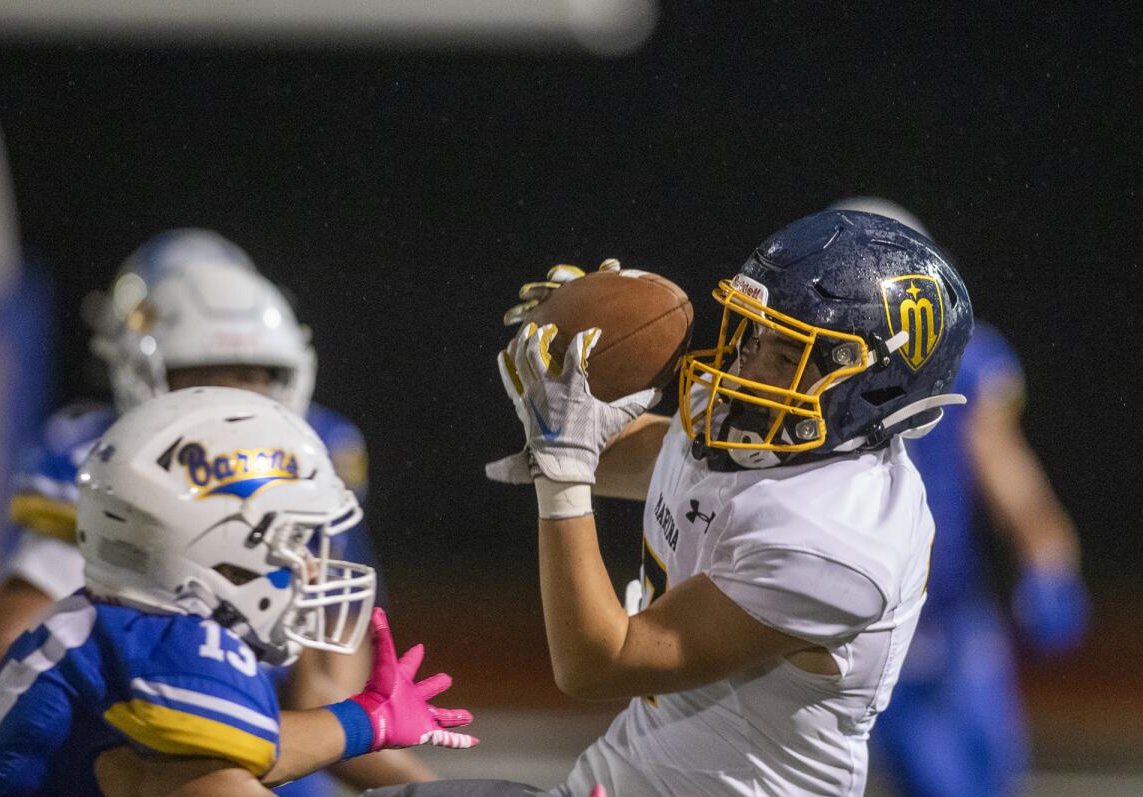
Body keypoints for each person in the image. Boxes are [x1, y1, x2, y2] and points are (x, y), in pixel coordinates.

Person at [366, 209, 974, 797]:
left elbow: (596, 662)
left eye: (786, 355)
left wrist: (562, 467)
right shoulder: (760, 421)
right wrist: (560, 364)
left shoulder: (838, 545)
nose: (749, 362)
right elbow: (602, 446)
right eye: (755, 332)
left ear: (874, 387)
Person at [0, 229, 435, 791]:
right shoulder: (135, 543)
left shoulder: (305, 455)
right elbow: (214, 771)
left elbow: (317, 693)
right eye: (203, 376)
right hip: (192, 712)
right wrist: (362, 722)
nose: (234, 398)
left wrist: (385, 739)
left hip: (243, 714)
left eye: (254, 376)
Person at [0, 387, 476, 796]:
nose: (312, 567)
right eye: (294, 539)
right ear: (221, 543)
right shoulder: (162, 635)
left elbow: (219, 760)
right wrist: (366, 720)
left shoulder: (135, 617)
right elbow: (238, 768)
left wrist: (367, 720)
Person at [827, 198, 1089, 797]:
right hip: (828, 636)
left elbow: (1007, 471)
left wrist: (1047, 558)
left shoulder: (966, 367)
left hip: (942, 630)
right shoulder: (800, 370)